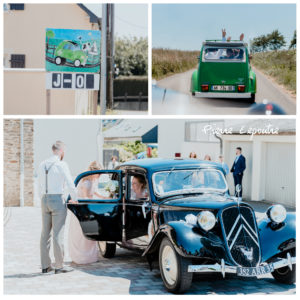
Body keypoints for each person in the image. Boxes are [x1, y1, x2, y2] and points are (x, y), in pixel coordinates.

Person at [38, 141, 77, 274]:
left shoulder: (42, 164)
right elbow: (71, 184)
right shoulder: (61, 164)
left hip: (44, 199)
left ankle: (45, 265)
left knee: (45, 234)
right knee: (57, 234)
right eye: (64, 150)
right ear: (61, 151)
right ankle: (59, 266)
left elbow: (39, 185)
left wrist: (42, 198)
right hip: (57, 199)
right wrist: (75, 198)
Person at [68, 161, 107, 265]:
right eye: (99, 173)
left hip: (89, 208)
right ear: (94, 172)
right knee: (82, 235)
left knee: (91, 233)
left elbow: (94, 192)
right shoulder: (86, 182)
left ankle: (90, 256)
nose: (100, 176)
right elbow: (85, 197)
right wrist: (91, 206)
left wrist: (103, 197)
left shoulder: (93, 180)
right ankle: (82, 258)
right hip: (83, 210)